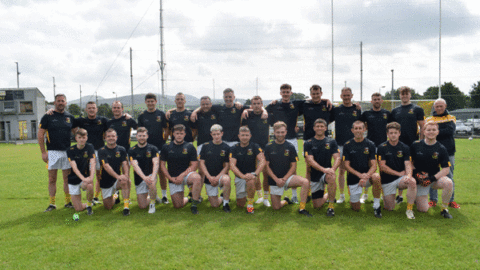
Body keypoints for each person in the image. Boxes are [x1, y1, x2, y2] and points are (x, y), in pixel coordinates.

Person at [38, 94, 79, 212]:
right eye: (58, 101)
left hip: (67, 152)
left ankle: (67, 202)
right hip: (52, 152)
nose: (61, 102)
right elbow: (40, 135)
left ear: (66, 102)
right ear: (55, 102)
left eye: (63, 101)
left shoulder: (70, 117)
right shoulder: (47, 116)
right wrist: (43, 152)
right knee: (52, 179)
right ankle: (52, 204)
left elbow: (77, 133)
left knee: (67, 179)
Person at [265, 84, 304, 203]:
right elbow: (262, 111)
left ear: (291, 93)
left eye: (287, 92)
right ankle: (265, 197)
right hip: (277, 139)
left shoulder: (296, 104)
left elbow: (312, 100)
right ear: (280, 93)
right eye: (283, 92)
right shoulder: (274, 104)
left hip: (292, 139)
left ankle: (294, 195)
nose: (286, 94)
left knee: (293, 165)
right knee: (272, 164)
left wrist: (327, 100)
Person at [264, 121, 312, 217]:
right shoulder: (268, 146)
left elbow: (293, 166)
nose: (280, 134)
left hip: (288, 178)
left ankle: (302, 208)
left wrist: (284, 179)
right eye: (278, 132)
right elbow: (266, 166)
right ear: (274, 132)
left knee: (305, 182)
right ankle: (286, 201)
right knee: (276, 207)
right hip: (274, 180)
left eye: (282, 132)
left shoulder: (290, 146)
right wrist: (276, 179)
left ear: (286, 132)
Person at [410, 121, 454, 219]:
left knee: (449, 183)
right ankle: (418, 198)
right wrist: (417, 175)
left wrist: (431, 178)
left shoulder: (441, 148)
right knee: (423, 210)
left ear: (438, 132)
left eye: (434, 130)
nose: (431, 132)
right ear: (424, 131)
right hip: (420, 180)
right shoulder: (415, 145)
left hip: (434, 179)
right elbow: (409, 163)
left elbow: (446, 169)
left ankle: (444, 209)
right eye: (428, 130)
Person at [391, 86, 425, 204]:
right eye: (402, 94)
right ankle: (399, 196)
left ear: (410, 95)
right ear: (399, 96)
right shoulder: (395, 111)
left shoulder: (417, 109)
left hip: (413, 144)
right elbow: (392, 128)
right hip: (398, 145)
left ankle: (414, 194)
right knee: (399, 168)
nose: (404, 96)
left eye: (406, 94)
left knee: (414, 168)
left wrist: (421, 142)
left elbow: (422, 127)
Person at [377, 122, 417, 219]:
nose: (393, 135)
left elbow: (408, 164)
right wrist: (398, 173)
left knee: (412, 182)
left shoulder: (405, 147)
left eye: (395, 132)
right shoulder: (382, 147)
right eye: (391, 133)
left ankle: (409, 209)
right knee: (389, 208)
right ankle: (387, 196)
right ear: (387, 134)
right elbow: (382, 166)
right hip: (387, 180)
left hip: (401, 179)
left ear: (399, 133)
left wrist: (408, 176)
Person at [343, 121, 382, 218]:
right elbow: (346, 166)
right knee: (355, 208)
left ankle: (376, 206)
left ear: (364, 129)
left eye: (360, 128)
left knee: (376, 176)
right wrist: (359, 175)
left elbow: (374, 165)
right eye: (356, 128)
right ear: (352, 130)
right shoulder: (347, 145)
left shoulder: (371, 144)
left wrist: (366, 176)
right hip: (353, 178)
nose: (358, 130)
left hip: (367, 177)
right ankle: (356, 197)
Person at [160, 124, 203, 214]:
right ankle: (188, 198)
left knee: (197, 178)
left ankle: (194, 205)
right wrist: (170, 178)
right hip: (173, 178)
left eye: (181, 133)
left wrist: (182, 175)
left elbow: (194, 165)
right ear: (173, 134)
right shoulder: (166, 147)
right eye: (177, 133)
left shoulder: (190, 147)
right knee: (178, 206)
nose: (179, 135)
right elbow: (162, 165)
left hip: (186, 175)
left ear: (184, 134)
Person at [330, 87, 362, 204]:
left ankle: (359, 194)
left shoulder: (357, 109)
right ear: (341, 96)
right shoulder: (337, 109)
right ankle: (342, 195)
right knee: (342, 171)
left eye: (348, 95)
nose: (346, 97)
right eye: (344, 95)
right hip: (341, 144)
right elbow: (326, 120)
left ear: (352, 95)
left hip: (356, 144)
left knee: (357, 169)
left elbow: (362, 125)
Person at [425, 98, 459, 209]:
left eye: (441, 106)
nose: (439, 108)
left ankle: (450, 201)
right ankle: (433, 200)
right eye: (437, 106)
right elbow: (428, 132)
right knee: (431, 175)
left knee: (449, 175)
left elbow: (450, 131)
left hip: (449, 152)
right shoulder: (429, 119)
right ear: (434, 107)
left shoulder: (451, 117)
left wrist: (435, 132)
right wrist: (435, 132)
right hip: (432, 150)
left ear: (445, 106)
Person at [358, 92, 391, 203]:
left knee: (383, 170)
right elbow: (359, 124)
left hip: (384, 146)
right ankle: (365, 194)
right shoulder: (366, 113)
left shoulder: (387, 113)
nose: (376, 101)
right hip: (369, 146)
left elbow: (392, 128)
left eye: (378, 99)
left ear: (382, 101)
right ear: (371, 101)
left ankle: (382, 193)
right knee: (368, 169)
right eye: (374, 99)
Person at [137, 93, 169, 205]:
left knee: (161, 172)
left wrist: (164, 140)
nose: (150, 103)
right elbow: (139, 132)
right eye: (148, 101)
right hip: (145, 149)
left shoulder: (161, 114)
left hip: (159, 148)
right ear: (145, 102)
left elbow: (166, 129)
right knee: (148, 172)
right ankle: (152, 195)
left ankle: (164, 195)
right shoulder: (141, 116)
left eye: (152, 101)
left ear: (155, 102)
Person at [304, 119, 340, 217]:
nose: (319, 128)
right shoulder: (308, 143)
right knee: (317, 205)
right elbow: (310, 160)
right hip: (315, 175)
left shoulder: (331, 141)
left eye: (322, 126)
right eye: (317, 126)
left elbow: (337, 158)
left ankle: (331, 206)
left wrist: (332, 169)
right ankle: (328, 194)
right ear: (314, 128)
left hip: (326, 173)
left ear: (325, 128)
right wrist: (324, 169)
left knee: (332, 177)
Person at [241, 95, 271, 207]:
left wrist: (265, 110)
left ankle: (266, 199)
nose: (257, 105)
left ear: (262, 104)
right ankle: (260, 196)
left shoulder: (267, 115)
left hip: (265, 147)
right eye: (254, 103)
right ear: (251, 105)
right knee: (255, 174)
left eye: (259, 103)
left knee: (266, 173)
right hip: (252, 148)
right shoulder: (247, 115)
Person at [76, 101, 108, 205]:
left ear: (96, 109)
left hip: (99, 151)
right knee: (88, 175)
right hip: (86, 153)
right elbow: (68, 123)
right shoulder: (81, 121)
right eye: (89, 108)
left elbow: (115, 122)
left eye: (93, 108)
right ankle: (86, 199)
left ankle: (96, 197)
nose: (91, 110)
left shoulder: (102, 120)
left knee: (100, 175)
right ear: (86, 109)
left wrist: (127, 115)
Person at [230, 126, 266, 214]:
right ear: (239, 136)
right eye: (242, 135)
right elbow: (232, 165)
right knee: (240, 204)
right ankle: (248, 194)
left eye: (246, 135)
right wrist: (242, 176)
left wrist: (255, 174)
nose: (244, 137)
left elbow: (262, 161)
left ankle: (250, 206)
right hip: (240, 177)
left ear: (250, 136)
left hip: (252, 175)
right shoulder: (234, 148)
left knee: (250, 181)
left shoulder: (255, 146)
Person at [97, 128, 132, 216]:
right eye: (108, 136)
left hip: (117, 180)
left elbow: (125, 163)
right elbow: (106, 166)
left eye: (113, 136)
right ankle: (116, 195)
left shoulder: (121, 149)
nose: (111, 138)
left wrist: (126, 175)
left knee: (126, 181)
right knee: (108, 207)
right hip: (106, 182)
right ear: (105, 138)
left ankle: (126, 207)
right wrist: (118, 176)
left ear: (116, 137)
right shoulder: (101, 151)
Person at [199, 124, 232, 212]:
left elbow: (227, 166)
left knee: (227, 179)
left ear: (222, 133)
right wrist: (209, 177)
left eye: (218, 134)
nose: (216, 136)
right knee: (215, 205)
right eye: (214, 134)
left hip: (220, 177)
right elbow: (202, 163)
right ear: (211, 134)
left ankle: (226, 203)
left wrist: (217, 177)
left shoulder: (227, 147)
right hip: (209, 178)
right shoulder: (205, 146)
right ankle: (222, 197)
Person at [128, 127, 160, 214]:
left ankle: (152, 204)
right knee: (142, 206)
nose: (142, 137)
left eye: (143, 135)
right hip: (140, 178)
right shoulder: (132, 150)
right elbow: (135, 165)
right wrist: (144, 177)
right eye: (140, 136)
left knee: (151, 182)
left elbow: (156, 163)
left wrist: (152, 177)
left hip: (150, 175)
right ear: (136, 137)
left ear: (147, 136)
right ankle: (153, 196)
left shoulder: (153, 148)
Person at [66, 128, 95, 215]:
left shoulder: (90, 147)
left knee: (90, 185)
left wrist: (91, 177)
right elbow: (74, 167)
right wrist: (83, 178)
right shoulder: (70, 150)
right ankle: (87, 204)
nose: (82, 139)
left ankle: (89, 205)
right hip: (73, 180)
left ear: (86, 137)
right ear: (76, 138)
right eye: (79, 137)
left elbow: (93, 162)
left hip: (85, 179)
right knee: (78, 209)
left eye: (83, 137)